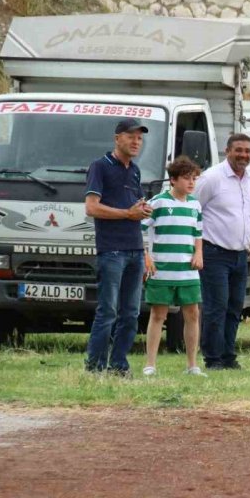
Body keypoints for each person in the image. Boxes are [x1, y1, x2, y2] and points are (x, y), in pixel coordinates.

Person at [83, 118, 153, 376]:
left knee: (131, 314)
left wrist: (142, 211)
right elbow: (91, 208)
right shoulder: (100, 166)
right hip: (111, 251)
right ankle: (95, 366)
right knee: (108, 311)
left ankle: (119, 365)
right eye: (131, 136)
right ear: (117, 138)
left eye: (140, 138)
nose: (136, 142)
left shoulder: (134, 171)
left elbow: (134, 210)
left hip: (134, 249)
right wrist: (126, 213)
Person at [196, 133, 250, 371]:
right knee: (215, 307)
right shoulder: (211, 178)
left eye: (247, 151)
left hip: (240, 254)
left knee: (235, 308)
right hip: (214, 253)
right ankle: (212, 359)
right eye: (238, 150)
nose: (243, 155)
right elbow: (193, 210)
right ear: (227, 151)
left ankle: (228, 356)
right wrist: (196, 249)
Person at [142, 156, 205, 376]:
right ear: (173, 180)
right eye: (186, 178)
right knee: (159, 314)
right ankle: (150, 364)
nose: (191, 183)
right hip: (162, 269)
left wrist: (198, 253)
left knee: (193, 314)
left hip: (187, 270)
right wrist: (146, 257)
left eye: (194, 179)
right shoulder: (158, 202)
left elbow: (198, 233)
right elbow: (139, 228)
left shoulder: (195, 204)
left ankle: (192, 365)